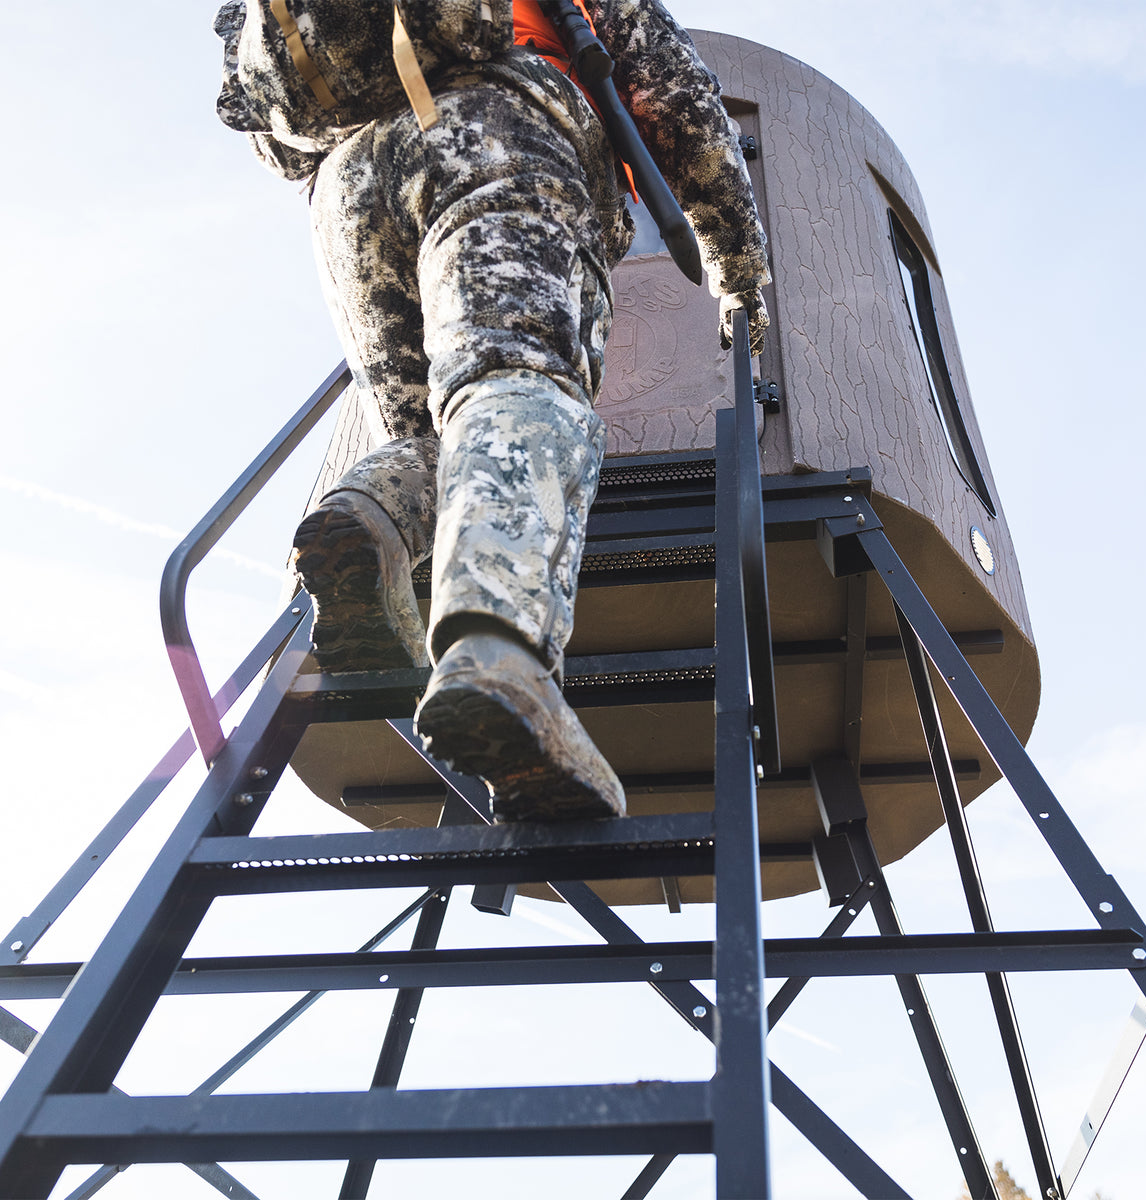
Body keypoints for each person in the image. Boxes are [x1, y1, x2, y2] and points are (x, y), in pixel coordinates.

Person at [215, 0, 770, 822]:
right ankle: (498, 658)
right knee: (518, 385)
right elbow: (673, 94)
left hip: (346, 193)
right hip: (501, 129)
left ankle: (367, 523)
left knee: (442, 440)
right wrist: (740, 266)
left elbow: (257, 121)